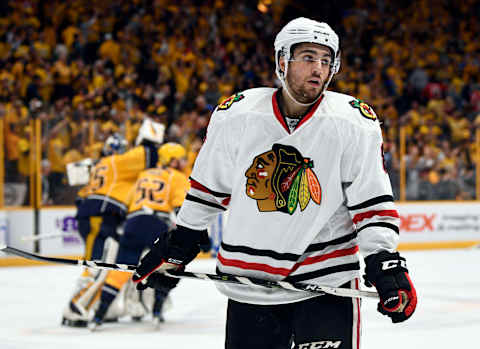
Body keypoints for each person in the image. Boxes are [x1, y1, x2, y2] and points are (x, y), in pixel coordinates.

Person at [132, 18, 417, 349]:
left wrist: (384, 260)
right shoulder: (237, 115)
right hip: (250, 286)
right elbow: (209, 189)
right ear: (282, 61)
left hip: (326, 282)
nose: (319, 69)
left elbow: (371, 203)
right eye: (308, 57)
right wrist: (181, 242)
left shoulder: (352, 121)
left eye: (326, 61)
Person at [62, 119, 165, 327]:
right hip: (101, 216)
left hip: (97, 216)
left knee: (105, 261)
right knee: (98, 264)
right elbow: (148, 153)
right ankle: (75, 308)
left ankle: (101, 306)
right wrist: (151, 137)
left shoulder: (100, 166)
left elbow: (80, 198)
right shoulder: (117, 163)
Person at [88, 143, 192, 330]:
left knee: (119, 271)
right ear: (172, 161)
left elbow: (126, 203)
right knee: (169, 264)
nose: (183, 163)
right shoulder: (177, 177)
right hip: (156, 225)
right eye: (181, 159)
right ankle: (157, 309)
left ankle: (99, 315)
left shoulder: (143, 175)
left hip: (133, 224)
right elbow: (180, 209)